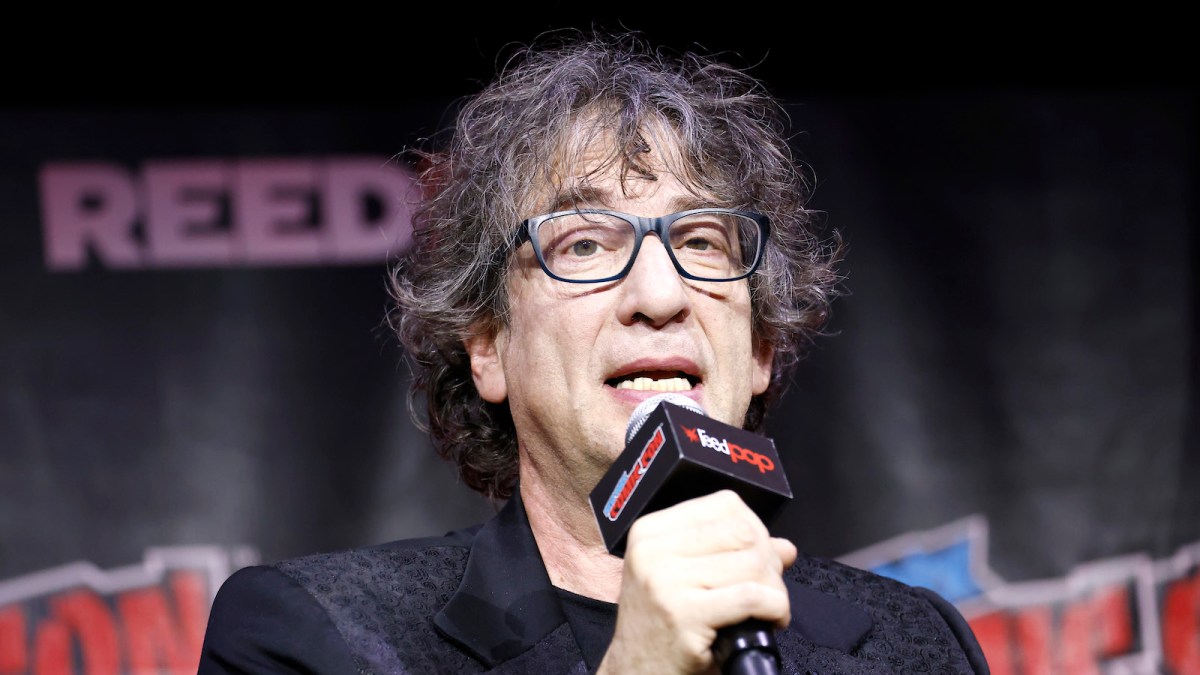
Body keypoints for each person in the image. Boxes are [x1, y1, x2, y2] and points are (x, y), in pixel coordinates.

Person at [198, 30, 991, 674]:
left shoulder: (913, 646)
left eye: (703, 241)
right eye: (583, 244)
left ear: (757, 346)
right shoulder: (314, 637)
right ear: (486, 345)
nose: (659, 294)